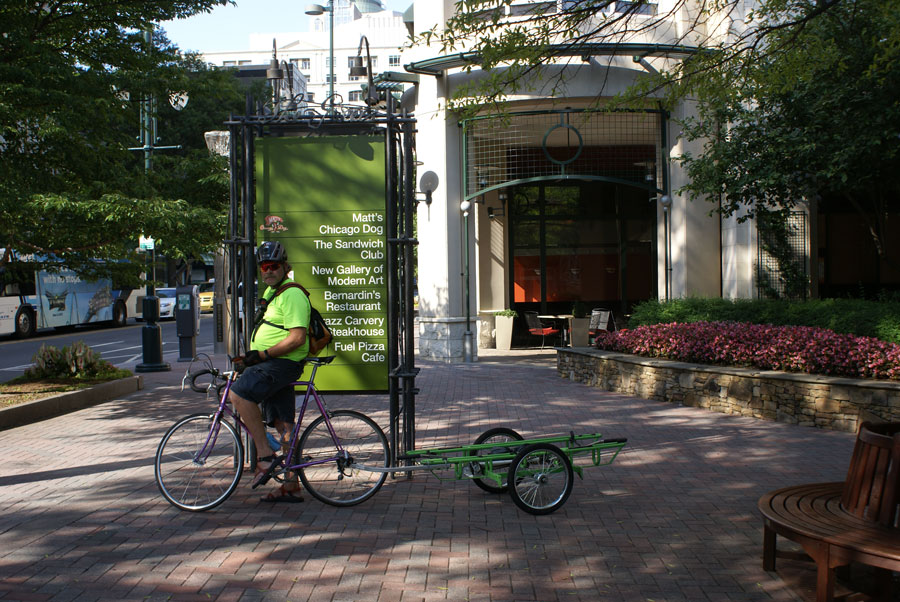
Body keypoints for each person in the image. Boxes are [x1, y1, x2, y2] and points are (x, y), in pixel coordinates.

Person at [229, 241, 310, 503]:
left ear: (285, 267)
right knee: (282, 424)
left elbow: (297, 338)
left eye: (274, 266)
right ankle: (291, 485)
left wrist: (262, 355)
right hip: (271, 364)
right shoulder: (271, 292)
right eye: (264, 266)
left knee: (239, 395)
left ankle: (264, 455)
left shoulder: (292, 294)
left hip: (282, 364)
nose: (268, 270)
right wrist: (252, 358)